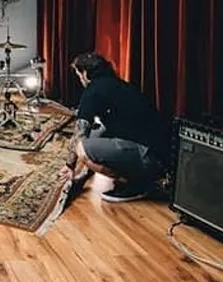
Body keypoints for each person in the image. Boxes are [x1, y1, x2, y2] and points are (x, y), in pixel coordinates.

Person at [60, 52, 171, 202]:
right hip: (164, 156)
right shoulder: (120, 85)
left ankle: (137, 183)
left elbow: (79, 132)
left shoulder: (93, 90)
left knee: (82, 148)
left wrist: (70, 165)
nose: (80, 79)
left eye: (79, 75)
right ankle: (141, 177)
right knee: (97, 133)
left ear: (85, 73)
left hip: (150, 158)